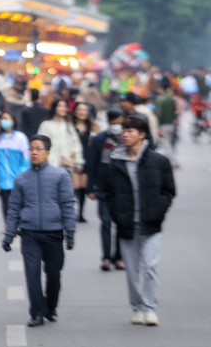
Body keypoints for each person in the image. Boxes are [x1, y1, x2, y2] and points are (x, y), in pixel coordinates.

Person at [104, 116, 176, 326]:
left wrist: (158, 210)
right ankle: (137, 307)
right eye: (124, 131)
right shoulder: (115, 161)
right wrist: (116, 213)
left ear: (142, 135)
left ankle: (150, 308)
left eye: (131, 131)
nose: (125, 135)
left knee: (150, 266)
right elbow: (108, 193)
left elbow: (169, 191)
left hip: (151, 224)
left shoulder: (159, 161)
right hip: (126, 224)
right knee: (131, 270)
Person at [2, 134, 76, 327]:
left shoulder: (60, 176)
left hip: (54, 233)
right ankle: (36, 312)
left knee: (53, 274)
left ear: (48, 153)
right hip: (29, 233)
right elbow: (14, 208)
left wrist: (70, 232)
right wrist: (9, 235)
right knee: (32, 273)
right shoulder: (21, 179)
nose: (34, 152)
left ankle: (50, 307)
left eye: (38, 149)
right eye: (31, 148)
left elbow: (68, 204)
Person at [86, 109, 125, 271]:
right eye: (114, 123)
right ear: (109, 122)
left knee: (121, 224)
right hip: (103, 188)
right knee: (106, 223)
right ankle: (106, 258)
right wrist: (90, 187)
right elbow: (92, 164)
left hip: (123, 189)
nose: (117, 126)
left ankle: (119, 258)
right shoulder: (99, 140)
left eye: (119, 123)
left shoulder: (127, 139)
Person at [0, 111, 30, 222]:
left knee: (18, 202)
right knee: (5, 203)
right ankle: (8, 225)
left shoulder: (20, 137)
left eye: (7, 118)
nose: (4, 121)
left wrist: (23, 174)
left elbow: (26, 159)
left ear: (13, 121)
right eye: (3, 118)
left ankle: (20, 222)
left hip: (18, 177)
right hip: (3, 177)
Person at [71, 102, 100, 222]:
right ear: (75, 111)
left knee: (83, 187)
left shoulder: (94, 128)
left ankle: (80, 213)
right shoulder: (69, 126)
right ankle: (70, 211)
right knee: (72, 187)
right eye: (80, 109)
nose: (82, 112)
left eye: (85, 110)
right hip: (73, 159)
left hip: (88, 159)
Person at [38, 99, 84, 174]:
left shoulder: (69, 126)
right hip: (49, 166)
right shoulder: (45, 125)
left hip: (66, 166)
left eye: (65, 106)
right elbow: (40, 144)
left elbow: (76, 145)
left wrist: (78, 162)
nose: (63, 108)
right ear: (54, 107)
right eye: (60, 106)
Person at [154, 82, 178, 168]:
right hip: (171, 124)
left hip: (163, 125)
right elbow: (174, 111)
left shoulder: (160, 99)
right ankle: (167, 161)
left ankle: (173, 162)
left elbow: (159, 114)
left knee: (165, 144)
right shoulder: (170, 98)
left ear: (160, 89)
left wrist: (157, 125)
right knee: (167, 143)